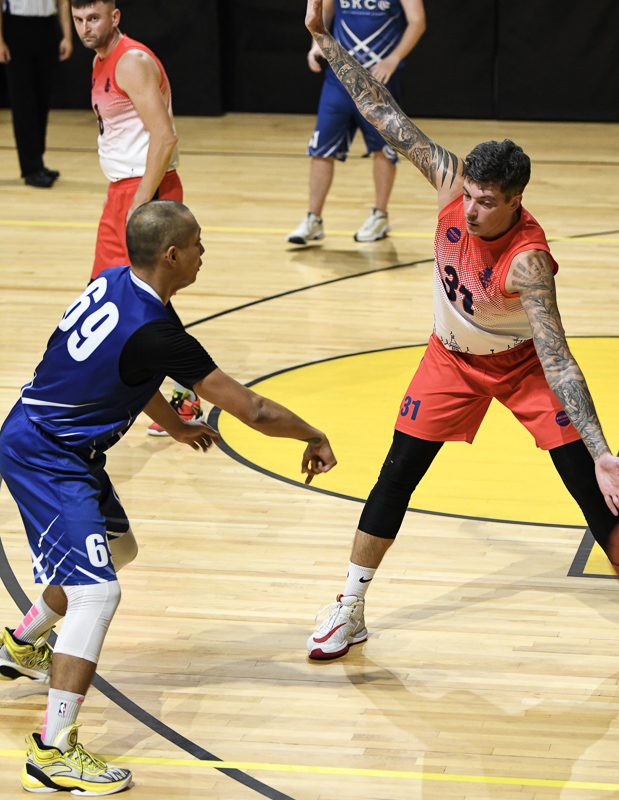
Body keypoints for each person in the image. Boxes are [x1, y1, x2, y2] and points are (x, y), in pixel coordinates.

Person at [301, 0, 619, 666]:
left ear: (515, 200)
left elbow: (559, 360)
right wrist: (325, 40)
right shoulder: (451, 181)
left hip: (522, 366)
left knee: (591, 487)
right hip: (450, 359)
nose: (470, 209)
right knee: (396, 475)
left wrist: (600, 449)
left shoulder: (528, 261)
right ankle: (349, 606)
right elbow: (381, 110)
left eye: (486, 201)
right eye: (469, 195)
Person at [0, 200, 336, 795]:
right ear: (173, 255)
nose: (205, 252)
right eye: (199, 243)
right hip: (46, 455)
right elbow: (254, 410)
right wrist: (313, 434)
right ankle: (53, 753)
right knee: (97, 592)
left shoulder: (117, 282)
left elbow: (133, 369)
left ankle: (22, 644)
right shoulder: (156, 330)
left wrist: (175, 425)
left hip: (62, 445)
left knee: (118, 550)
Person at [71, 0, 199, 433]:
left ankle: (184, 392)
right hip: (123, 190)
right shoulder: (100, 60)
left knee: (136, 299)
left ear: (115, 16)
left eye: (93, 18)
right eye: (78, 19)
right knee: (113, 294)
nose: (86, 27)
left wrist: (139, 205)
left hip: (146, 190)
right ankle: (172, 390)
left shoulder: (131, 61)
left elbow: (164, 137)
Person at [286, 0, 425, 245]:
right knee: (321, 148)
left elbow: (417, 21)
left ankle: (380, 216)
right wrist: (316, 43)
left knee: (383, 148)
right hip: (339, 75)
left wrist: (393, 58)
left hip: (378, 79)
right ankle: (313, 219)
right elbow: (324, 9)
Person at [0, 0, 73, 187]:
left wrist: (67, 36)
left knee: (42, 99)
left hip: (47, 27)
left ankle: (37, 162)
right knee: (23, 101)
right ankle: (31, 168)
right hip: (16, 27)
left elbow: (62, 2)